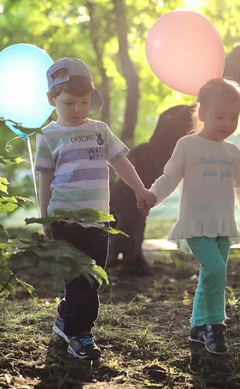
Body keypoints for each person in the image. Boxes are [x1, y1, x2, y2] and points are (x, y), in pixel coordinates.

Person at [35, 57, 156, 360]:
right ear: (52, 100)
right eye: (69, 103)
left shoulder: (99, 130)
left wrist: (140, 188)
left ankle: (65, 314)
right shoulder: (48, 136)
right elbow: (45, 179)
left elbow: (121, 163)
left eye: (84, 102)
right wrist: (46, 216)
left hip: (98, 219)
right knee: (80, 275)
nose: (77, 109)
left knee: (96, 274)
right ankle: (80, 333)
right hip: (65, 217)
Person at [141, 78, 240, 355]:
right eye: (219, 116)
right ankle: (215, 327)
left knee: (209, 277)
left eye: (233, 117)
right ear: (201, 113)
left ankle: (197, 327)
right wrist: (152, 196)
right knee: (216, 271)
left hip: (223, 225)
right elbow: (169, 177)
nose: (226, 122)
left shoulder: (232, 152)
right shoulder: (188, 145)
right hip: (196, 223)